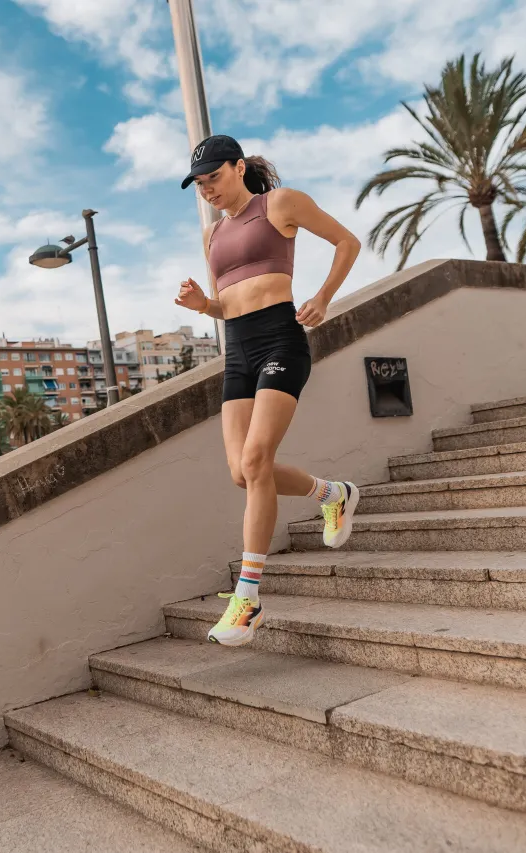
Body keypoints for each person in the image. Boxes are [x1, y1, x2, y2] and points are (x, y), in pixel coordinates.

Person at [174, 134, 362, 647]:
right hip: (237, 352)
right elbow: (227, 303)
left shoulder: (279, 204)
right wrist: (202, 306)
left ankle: (248, 596)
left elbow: (348, 242)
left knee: (257, 459)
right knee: (242, 472)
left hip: (281, 339)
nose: (207, 190)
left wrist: (323, 297)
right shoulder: (213, 235)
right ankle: (333, 494)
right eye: (199, 184)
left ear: (238, 168)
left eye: (214, 177)